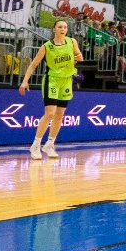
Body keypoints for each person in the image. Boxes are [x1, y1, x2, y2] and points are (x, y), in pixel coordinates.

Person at [18, 19, 83, 159]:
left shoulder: (72, 42)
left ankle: (49, 144)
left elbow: (79, 56)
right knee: (50, 113)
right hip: (52, 81)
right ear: (54, 29)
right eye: (60, 26)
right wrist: (25, 81)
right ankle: (35, 145)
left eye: (65, 27)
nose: (63, 29)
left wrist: (77, 59)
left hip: (66, 81)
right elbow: (33, 65)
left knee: (60, 114)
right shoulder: (47, 47)